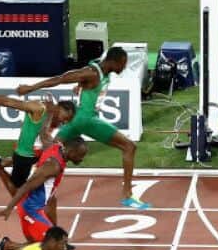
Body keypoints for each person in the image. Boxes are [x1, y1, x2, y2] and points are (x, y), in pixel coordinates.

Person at [15, 46, 149, 210]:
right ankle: (127, 196)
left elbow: (86, 84)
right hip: (87, 119)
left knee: (51, 149)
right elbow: (61, 78)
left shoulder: (101, 70)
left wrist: (79, 87)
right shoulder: (92, 72)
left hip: (77, 120)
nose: (124, 67)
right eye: (123, 63)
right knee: (129, 146)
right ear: (115, 61)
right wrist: (30, 88)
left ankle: (5, 164)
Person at [0, 82, 76, 192]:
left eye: (67, 120)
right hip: (25, 156)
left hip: (38, 157)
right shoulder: (39, 108)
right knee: (17, 192)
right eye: (65, 117)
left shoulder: (56, 120)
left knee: (37, 191)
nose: (64, 122)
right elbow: (8, 102)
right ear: (60, 108)